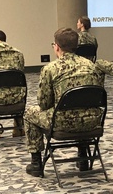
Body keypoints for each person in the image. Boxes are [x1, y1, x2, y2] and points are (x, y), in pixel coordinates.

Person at [24, 28, 104, 177]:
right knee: (83, 107)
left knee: (29, 113)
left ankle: (36, 164)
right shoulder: (92, 67)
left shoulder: (50, 69)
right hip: (92, 121)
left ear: (57, 47)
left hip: (62, 122)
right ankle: (83, 159)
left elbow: (43, 103)